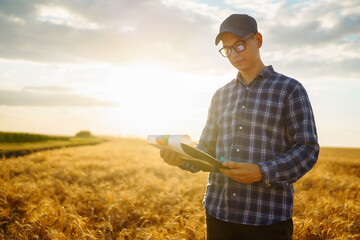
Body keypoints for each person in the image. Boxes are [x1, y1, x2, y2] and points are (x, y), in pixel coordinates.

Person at [160, 14, 319, 240]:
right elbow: (207, 147)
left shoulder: (289, 89)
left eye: (240, 45)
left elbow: (307, 148)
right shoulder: (220, 95)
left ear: (259, 40)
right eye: (227, 50)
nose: (234, 54)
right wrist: (183, 158)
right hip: (219, 213)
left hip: (266, 218)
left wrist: (262, 172)